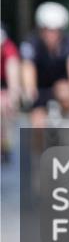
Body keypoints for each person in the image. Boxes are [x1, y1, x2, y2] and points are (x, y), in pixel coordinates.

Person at [20, 2, 69, 134]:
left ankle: (68, 122)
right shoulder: (31, 43)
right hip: (39, 89)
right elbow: (27, 68)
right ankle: (40, 153)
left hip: (60, 86)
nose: (51, 34)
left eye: (55, 30)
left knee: (65, 91)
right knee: (37, 125)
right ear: (41, 29)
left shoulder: (68, 41)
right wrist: (28, 90)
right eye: (47, 30)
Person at [0, 23, 21, 163]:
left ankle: (5, 142)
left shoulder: (9, 49)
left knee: (5, 105)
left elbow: (13, 77)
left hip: (5, 84)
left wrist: (13, 96)